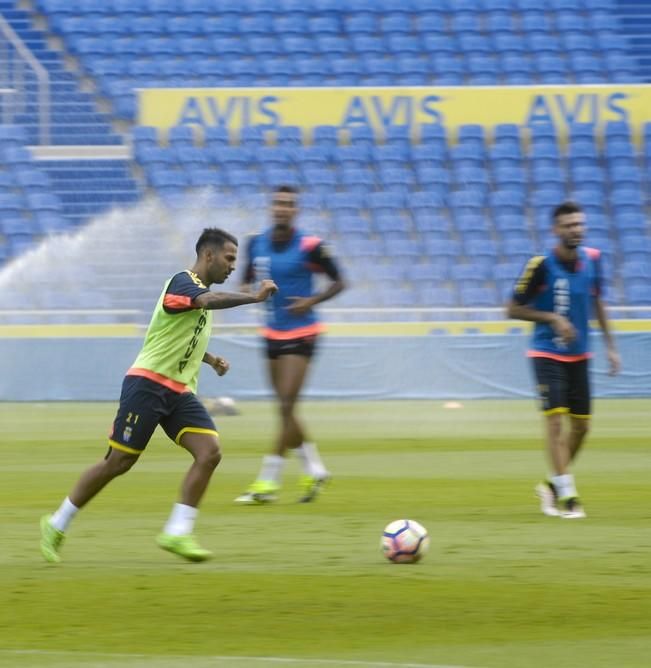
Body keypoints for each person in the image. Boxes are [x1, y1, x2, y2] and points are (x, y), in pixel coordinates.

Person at [40, 228, 277, 563]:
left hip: (179, 392)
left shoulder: (198, 295)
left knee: (209, 452)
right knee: (119, 462)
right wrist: (254, 297)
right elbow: (204, 302)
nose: (233, 267)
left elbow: (177, 333)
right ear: (208, 255)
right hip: (148, 385)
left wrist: (209, 360)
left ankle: (178, 531)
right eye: (229, 258)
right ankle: (56, 522)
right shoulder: (182, 282)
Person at [506, 201, 620, 519]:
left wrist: (611, 346)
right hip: (546, 353)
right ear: (556, 230)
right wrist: (552, 319)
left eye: (580, 224)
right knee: (555, 420)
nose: (576, 229)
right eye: (569, 225)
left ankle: (552, 486)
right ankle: (569, 496)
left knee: (582, 427)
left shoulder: (594, 260)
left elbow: (599, 302)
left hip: (580, 355)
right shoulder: (540, 265)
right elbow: (512, 308)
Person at [234, 186, 346, 505]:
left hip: (303, 332)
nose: (283, 208)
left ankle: (267, 482)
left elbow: (340, 281)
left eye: (289, 204)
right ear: (271, 208)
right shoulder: (256, 243)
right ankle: (315, 468)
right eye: (279, 203)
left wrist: (311, 300)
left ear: (296, 211)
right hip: (271, 333)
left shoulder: (311, 246)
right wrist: (248, 291)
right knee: (285, 409)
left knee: (285, 406)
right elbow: (245, 279)